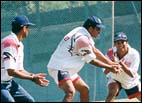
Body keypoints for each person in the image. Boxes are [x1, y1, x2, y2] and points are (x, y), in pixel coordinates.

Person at [47, 15, 122, 102]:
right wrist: (109, 67)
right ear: (90, 28)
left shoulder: (81, 31)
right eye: (98, 29)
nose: (99, 32)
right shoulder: (82, 39)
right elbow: (91, 60)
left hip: (68, 69)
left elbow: (94, 50)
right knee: (70, 92)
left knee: (84, 89)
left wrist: (111, 63)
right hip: (59, 68)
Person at [1, 15, 50, 102]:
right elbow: (11, 71)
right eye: (28, 27)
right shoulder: (9, 43)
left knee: (29, 100)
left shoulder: (19, 45)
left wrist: (33, 76)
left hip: (8, 82)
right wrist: (32, 78)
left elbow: (19, 70)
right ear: (24, 28)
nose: (28, 30)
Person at [103, 32, 141, 102]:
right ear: (115, 44)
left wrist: (120, 63)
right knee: (112, 92)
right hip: (115, 78)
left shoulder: (134, 54)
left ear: (127, 42)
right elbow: (105, 72)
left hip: (130, 81)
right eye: (118, 42)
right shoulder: (110, 53)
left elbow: (132, 74)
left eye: (122, 42)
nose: (120, 44)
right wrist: (112, 65)